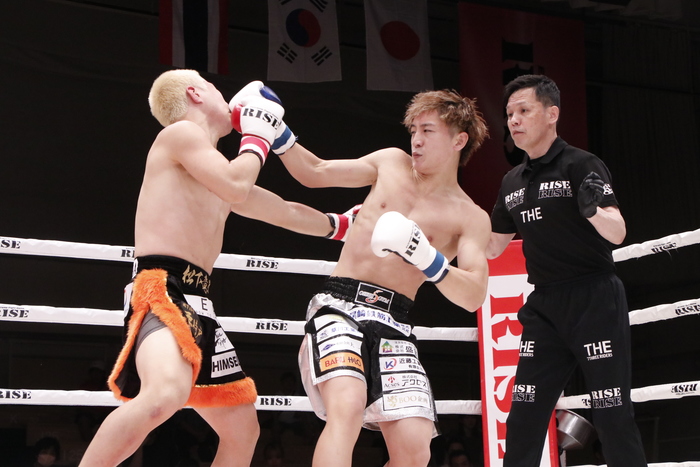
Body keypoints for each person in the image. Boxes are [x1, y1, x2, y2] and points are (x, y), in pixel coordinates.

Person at [78, 69, 343, 467]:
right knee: (163, 396)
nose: (226, 96)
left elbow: (283, 211)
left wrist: (341, 226)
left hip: (200, 302)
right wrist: (257, 137)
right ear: (196, 93)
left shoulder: (215, 169)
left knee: (242, 429)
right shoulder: (180, 135)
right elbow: (238, 184)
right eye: (216, 88)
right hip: (163, 288)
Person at [236, 86, 491, 467]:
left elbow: (473, 294)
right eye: (414, 131)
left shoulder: (470, 217)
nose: (416, 140)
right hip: (341, 305)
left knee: (415, 449)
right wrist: (278, 132)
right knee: (348, 405)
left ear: (459, 140)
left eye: (428, 131)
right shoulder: (390, 163)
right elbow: (315, 172)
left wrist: (427, 257)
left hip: (395, 322)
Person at [486, 74, 647, 467]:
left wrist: (593, 211)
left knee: (611, 414)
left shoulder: (581, 164)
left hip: (594, 299)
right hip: (545, 305)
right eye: (509, 114)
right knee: (523, 417)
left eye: (524, 110)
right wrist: (444, 231)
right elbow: (491, 247)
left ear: (551, 114)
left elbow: (618, 232)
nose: (513, 120)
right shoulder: (511, 182)